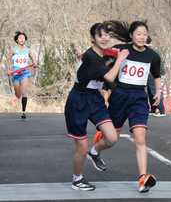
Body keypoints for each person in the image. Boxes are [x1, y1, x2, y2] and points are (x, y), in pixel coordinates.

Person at [96, 20, 161, 192]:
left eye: (144, 34)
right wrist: (103, 89)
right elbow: (105, 68)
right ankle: (94, 150)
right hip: (120, 95)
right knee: (112, 139)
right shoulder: (120, 49)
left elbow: (156, 76)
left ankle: (143, 179)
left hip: (139, 97)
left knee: (140, 138)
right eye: (138, 34)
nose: (142, 37)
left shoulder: (153, 56)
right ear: (131, 35)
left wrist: (159, 91)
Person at [65, 23, 129, 191]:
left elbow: (106, 56)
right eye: (100, 36)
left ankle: (94, 152)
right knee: (81, 149)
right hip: (78, 101)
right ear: (92, 38)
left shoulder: (99, 52)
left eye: (107, 35)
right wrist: (120, 59)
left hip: (95, 98)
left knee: (112, 137)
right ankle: (76, 179)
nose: (105, 38)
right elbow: (109, 77)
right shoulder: (92, 58)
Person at [5, 31, 37, 119]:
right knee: (18, 95)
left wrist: (34, 64)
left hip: (24, 73)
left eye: (23, 38)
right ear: (17, 40)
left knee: (24, 92)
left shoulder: (28, 50)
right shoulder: (14, 50)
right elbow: (6, 60)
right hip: (15, 74)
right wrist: (8, 70)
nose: (22, 40)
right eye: (20, 38)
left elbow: (34, 60)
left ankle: (23, 112)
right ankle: (16, 96)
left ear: (25, 40)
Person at [146, 36, 166, 117]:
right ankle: (153, 109)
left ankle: (161, 110)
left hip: (151, 74)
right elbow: (161, 62)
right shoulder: (156, 50)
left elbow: (159, 63)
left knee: (154, 91)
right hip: (154, 74)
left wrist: (162, 73)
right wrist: (163, 72)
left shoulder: (147, 51)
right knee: (151, 91)